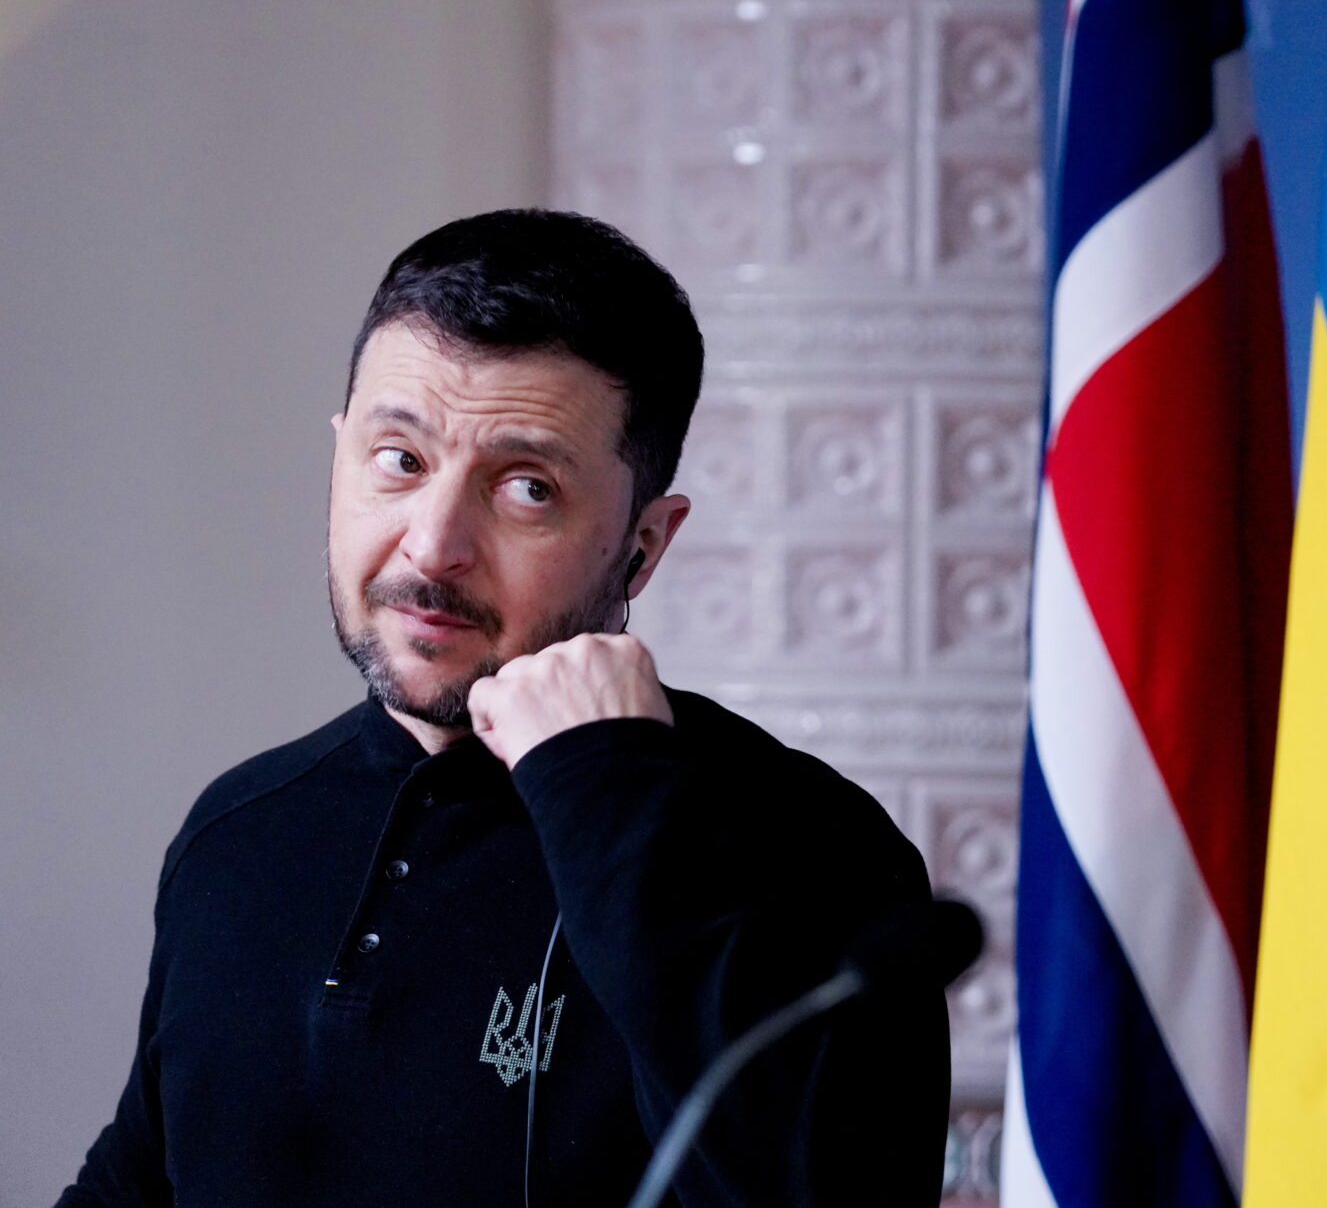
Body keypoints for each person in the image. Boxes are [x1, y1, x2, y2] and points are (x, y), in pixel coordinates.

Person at [58, 210, 949, 1208]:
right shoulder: (237, 830)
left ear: (643, 546)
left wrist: (606, 796)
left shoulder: (815, 849)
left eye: (527, 487)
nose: (433, 545)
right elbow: (135, 1183)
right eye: (400, 459)